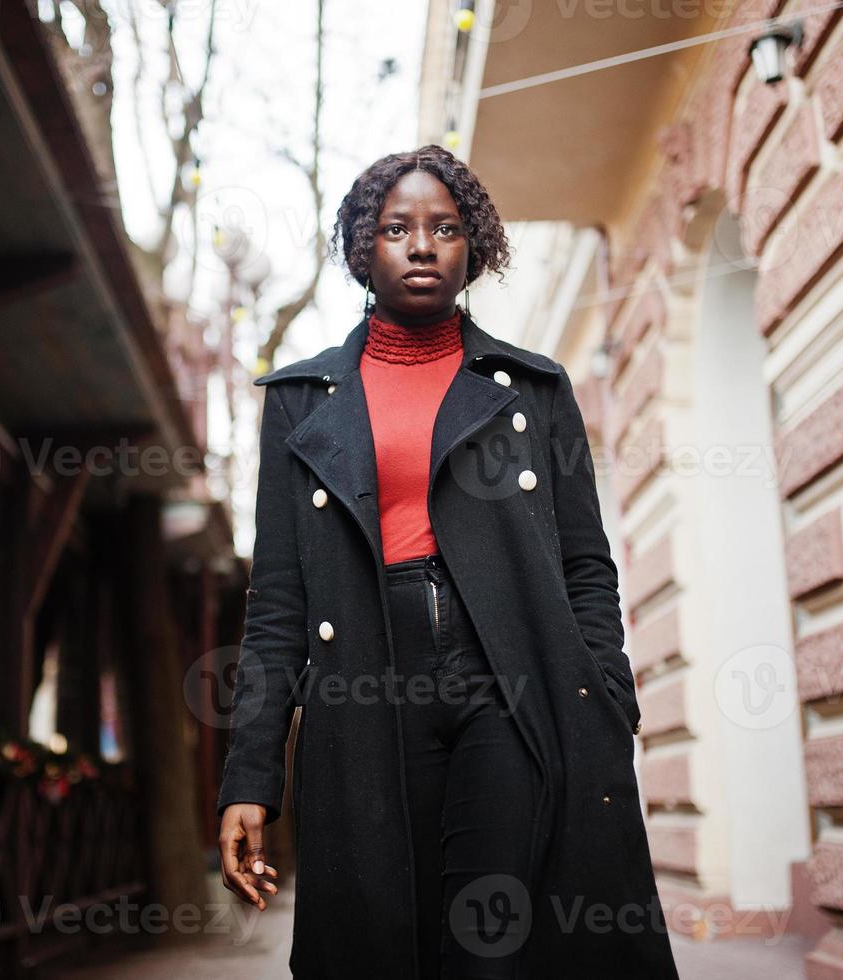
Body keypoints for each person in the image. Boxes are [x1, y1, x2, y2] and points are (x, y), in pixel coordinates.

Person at [216, 145, 678, 978]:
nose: (421, 245)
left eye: (445, 228)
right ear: (363, 248)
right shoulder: (298, 402)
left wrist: (605, 696)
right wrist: (249, 774)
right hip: (361, 683)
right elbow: (278, 598)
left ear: (477, 248)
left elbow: (585, 564)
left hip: (508, 681)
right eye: (396, 228)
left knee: (492, 937)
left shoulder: (531, 388)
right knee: (383, 935)